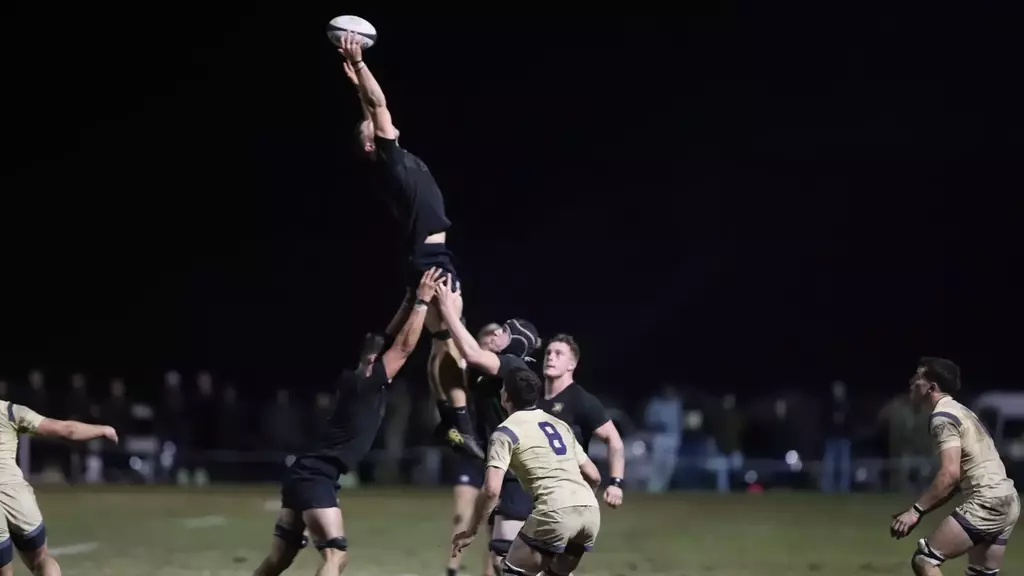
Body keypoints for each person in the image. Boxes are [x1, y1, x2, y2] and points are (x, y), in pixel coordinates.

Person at [335, 32, 479, 458]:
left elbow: (371, 108)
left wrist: (355, 86)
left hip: (427, 254)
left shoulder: (389, 157)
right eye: (374, 130)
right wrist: (360, 65)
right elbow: (379, 108)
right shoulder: (389, 160)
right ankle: (459, 422)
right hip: (432, 256)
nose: (382, 124)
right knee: (452, 338)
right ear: (370, 144)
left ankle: (450, 422)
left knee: (441, 340)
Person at [253, 269, 443, 576]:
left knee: (280, 559)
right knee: (335, 556)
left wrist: (409, 299)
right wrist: (421, 302)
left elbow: (392, 338)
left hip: (305, 473)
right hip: (317, 476)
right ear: (372, 361)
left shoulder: (358, 380)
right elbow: (404, 347)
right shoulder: (366, 383)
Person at [434, 278, 542, 574]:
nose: (495, 335)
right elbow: (452, 367)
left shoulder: (513, 367)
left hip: (518, 472)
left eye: (503, 333)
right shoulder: (492, 374)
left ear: (516, 343)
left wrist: (448, 310)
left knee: (512, 561)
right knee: (503, 558)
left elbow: (470, 353)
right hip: (499, 464)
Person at [452, 368, 602, 576]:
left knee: (512, 572)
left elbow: (491, 490)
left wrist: (471, 531)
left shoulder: (505, 432)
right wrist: (580, 505)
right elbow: (594, 476)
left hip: (555, 511)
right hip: (590, 513)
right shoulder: (560, 425)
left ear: (506, 397)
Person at [890, 357, 1018, 576]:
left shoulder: (943, 417)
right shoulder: (963, 411)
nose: (912, 382)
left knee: (925, 559)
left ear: (931, 387)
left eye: (918, 377)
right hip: (1008, 499)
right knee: (980, 573)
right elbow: (957, 478)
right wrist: (922, 510)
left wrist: (915, 511)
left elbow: (949, 474)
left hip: (985, 501)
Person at [0, 399, 119, 576]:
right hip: (17, 495)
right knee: (40, 559)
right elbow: (67, 429)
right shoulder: (9, 411)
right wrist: (103, 429)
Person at [537, 334, 625, 507]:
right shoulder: (534, 398)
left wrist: (615, 483)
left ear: (572, 365)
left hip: (568, 493)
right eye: (548, 353)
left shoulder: (581, 400)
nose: (550, 357)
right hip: (535, 490)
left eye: (558, 354)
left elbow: (614, 440)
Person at [444, 323, 504, 576]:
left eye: (498, 334)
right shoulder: (465, 369)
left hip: (497, 454)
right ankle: (452, 569)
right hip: (470, 451)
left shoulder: (504, 370)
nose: (493, 337)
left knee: (495, 521)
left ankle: (489, 572)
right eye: (488, 333)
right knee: (462, 513)